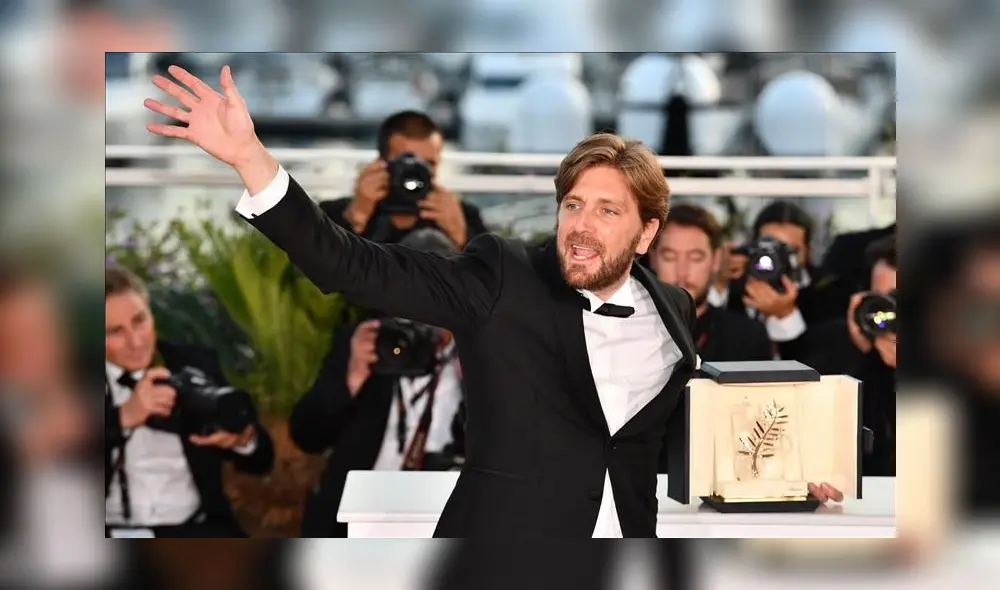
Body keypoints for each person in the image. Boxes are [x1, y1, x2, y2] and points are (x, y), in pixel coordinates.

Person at [143, 64, 843, 538]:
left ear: (647, 229)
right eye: (573, 204)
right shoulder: (501, 274)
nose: (581, 225)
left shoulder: (676, 310)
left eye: (607, 210)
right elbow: (351, 265)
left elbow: (684, 439)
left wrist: (787, 479)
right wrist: (251, 160)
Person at [289, 228, 468, 538]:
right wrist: (353, 377)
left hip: (448, 511)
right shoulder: (367, 342)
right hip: (361, 513)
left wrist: (480, 378)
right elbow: (306, 436)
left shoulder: (479, 350)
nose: (423, 313)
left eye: (435, 295)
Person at [104, 264, 274, 537]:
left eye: (140, 321)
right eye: (115, 331)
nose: (136, 341)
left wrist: (242, 440)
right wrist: (121, 417)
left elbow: (262, 459)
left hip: (198, 528)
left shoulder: (193, 363)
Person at [320, 110, 489, 248]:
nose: (416, 172)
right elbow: (316, 272)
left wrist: (460, 234)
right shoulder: (333, 214)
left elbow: (491, 281)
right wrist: (355, 216)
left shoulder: (465, 215)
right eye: (407, 161)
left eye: (427, 164)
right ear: (381, 163)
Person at [710, 201, 853, 362]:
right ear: (751, 247)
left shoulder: (830, 293)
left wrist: (784, 314)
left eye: (789, 251)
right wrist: (718, 284)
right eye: (767, 249)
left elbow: (822, 363)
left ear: (807, 251)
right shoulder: (734, 288)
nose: (775, 259)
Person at [646, 203, 773, 363]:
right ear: (653, 259)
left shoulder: (747, 335)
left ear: (716, 259)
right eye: (670, 257)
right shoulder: (626, 330)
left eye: (696, 258)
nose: (682, 272)